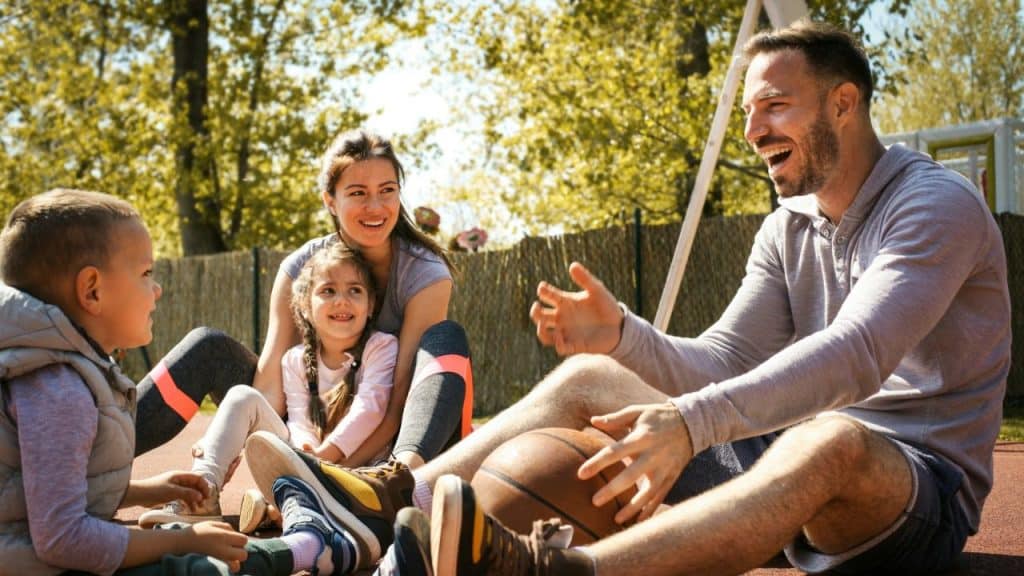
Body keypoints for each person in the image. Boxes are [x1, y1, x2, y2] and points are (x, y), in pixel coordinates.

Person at [243, 19, 1011, 576]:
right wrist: (624, 339)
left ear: (844, 104)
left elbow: (859, 355)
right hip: (782, 462)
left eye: (774, 105)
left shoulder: (932, 206)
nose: (751, 128)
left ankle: (564, 574)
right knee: (585, 382)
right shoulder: (789, 228)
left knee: (833, 436)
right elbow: (723, 360)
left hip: (912, 491)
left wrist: (690, 423)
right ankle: (378, 509)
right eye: (746, 110)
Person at [0, 189, 368, 576]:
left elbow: (45, 489)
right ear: (93, 290)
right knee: (200, 568)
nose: (157, 289)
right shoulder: (60, 391)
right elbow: (64, 539)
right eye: (145, 274)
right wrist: (181, 540)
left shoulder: (65, 375)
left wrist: (150, 489)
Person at [133, 130, 473, 474]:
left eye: (387, 191)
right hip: (310, 432)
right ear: (330, 200)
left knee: (446, 339)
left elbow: (395, 403)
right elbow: (269, 384)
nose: (375, 206)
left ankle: (388, 485)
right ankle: (98, 456)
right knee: (207, 347)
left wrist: (338, 476)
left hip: (389, 441)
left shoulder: (425, 272)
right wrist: (235, 438)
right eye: (358, 193)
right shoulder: (301, 267)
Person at [138, 241, 398, 531]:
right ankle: (202, 494)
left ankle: (280, 507)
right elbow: (300, 419)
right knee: (240, 396)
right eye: (328, 291)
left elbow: (370, 408)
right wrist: (304, 452)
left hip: (358, 471)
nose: (342, 300)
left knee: (329, 490)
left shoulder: (381, 347)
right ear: (306, 306)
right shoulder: (295, 360)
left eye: (355, 290)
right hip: (308, 463)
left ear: (371, 304)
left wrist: (324, 457)